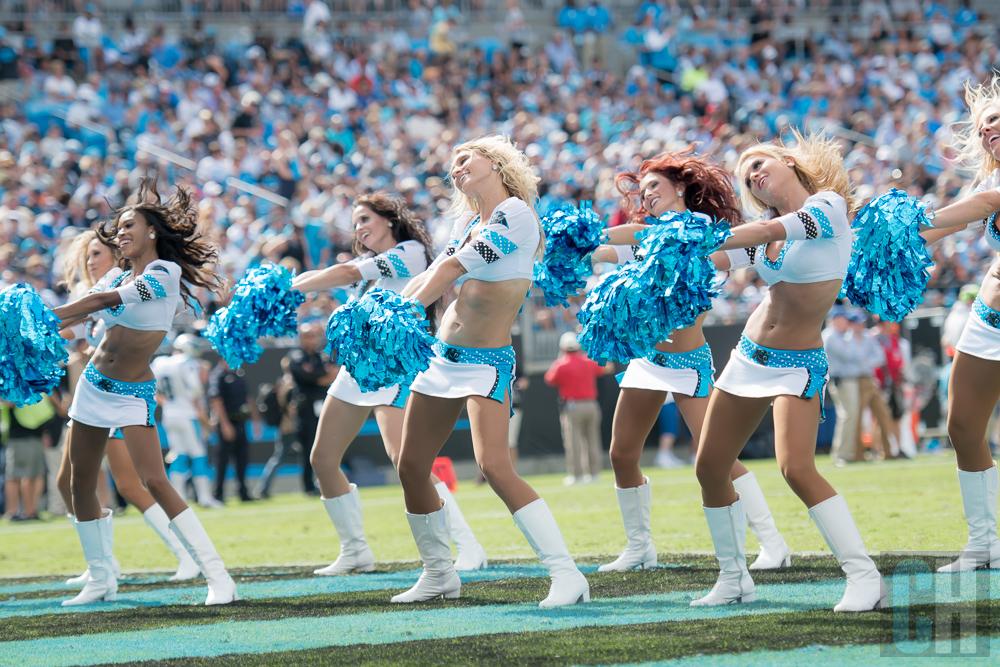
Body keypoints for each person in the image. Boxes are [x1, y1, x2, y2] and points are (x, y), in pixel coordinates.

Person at [692, 132, 885, 612]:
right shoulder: (768, 226)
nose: (755, 174)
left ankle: (865, 577)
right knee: (710, 466)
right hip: (748, 356)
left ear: (788, 162)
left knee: (795, 468)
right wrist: (635, 249)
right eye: (747, 175)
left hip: (797, 363)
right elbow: (720, 254)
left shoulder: (826, 207)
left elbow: (757, 236)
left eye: (760, 163)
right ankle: (734, 578)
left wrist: (696, 236)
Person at [394, 135, 589, 607]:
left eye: (467, 158)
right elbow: (431, 273)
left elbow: (450, 271)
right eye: (453, 162)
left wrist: (394, 312)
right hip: (441, 357)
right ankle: (439, 573)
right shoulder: (466, 221)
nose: (456, 166)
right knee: (411, 465)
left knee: (494, 466)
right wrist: (387, 307)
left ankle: (567, 575)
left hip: (487, 363)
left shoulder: (517, 215)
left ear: (497, 164)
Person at [590, 150, 790, 573]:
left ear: (680, 187)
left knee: (718, 455)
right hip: (648, 359)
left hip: (688, 361)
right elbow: (616, 245)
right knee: (622, 453)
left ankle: (772, 541)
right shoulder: (647, 236)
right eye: (642, 191)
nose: (648, 196)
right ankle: (640, 547)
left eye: (655, 187)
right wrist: (585, 245)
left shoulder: (698, 230)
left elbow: (739, 250)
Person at [53, 180, 236, 606]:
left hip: (133, 392)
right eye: (117, 228)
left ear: (152, 231)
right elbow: (80, 322)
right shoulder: (119, 272)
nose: (120, 233)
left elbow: (101, 303)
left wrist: (40, 314)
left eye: (128, 225)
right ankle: (101, 577)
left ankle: (218, 576)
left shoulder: (163, 274)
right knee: (80, 481)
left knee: (154, 479)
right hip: (93, 385)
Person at [292, 192, 488, 574]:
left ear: (388, 218)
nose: (360, 229)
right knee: (323, 458)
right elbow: (350, 275)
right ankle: (355, 551)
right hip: (358, 369)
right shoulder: (371, 266)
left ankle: (468, 545)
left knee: (405, 460)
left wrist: (296, 286)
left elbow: (346, 273)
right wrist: (292, 284)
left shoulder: (411, 252)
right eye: (355, 224)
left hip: (395, 367)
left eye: (365, 219)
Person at [55, 228, 200, 588]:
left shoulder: (120, 289)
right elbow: (74, 330)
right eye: (87, 255)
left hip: (117, 395)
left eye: (97, 254)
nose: (91, 261)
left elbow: (105, 329)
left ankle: (185, 555)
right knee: (67, 482)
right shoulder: (94, 293)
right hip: (90, 396)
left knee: (132, 485)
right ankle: (102, 563)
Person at [915, 77, 1000, 572]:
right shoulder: (987, 182)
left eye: (998, 119)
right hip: (988, 319)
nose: (990, 129)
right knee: (963, 425)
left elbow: (978, 210)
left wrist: (912, 223)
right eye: (985, 124)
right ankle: (983, 543)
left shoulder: (990, 194)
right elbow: (947, 223)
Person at [152, 334, 221, 508]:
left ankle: (179, 498)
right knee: (198, 455)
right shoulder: (187, 363)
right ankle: (205, 497)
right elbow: (195, 392)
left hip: (170, 414)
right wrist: (204, 419)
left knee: (179, 455)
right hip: (187, 415)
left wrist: (169, 403)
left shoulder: (160, 363)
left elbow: (153, 390)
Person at [544, 331, 605, 486]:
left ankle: (576, 475)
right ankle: (594, 474)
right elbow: (603, 368)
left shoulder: (561, 364)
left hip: (573, 407)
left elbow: (549, 379)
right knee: (593, 440)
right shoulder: (588, 361)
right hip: (591, 404)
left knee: (573, 442)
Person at [822, 308, 865, 465]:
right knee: (846, 415)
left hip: (849, 379)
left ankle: (847, 453)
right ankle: (840, 454)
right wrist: (852, 337)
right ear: (834, 320)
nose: (846, 323)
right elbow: (851, 355)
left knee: (850, 416)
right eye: (842, 319)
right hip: (840, 380)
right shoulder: (830, 336)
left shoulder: (842, 336)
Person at [208, 358, 253, 503]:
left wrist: (255, 418)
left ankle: (243, 492)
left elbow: (247, 397)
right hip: (227, 422)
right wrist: (225, 424)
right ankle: (218, 493)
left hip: (241, 421)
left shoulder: (238, 373)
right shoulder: (218, 375)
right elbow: (216, 401)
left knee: (242, 459)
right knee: (222, 461)